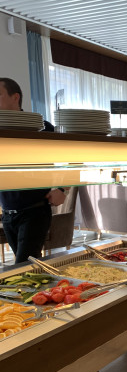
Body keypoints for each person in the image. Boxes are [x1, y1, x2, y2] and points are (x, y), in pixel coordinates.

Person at [0, 78, 66, 263]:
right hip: (7, 213)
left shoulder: (42, 128)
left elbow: (73, 158)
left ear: (15, 97)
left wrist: (62, 188)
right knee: (27, 266)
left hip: (34, 211)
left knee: (24, 265)